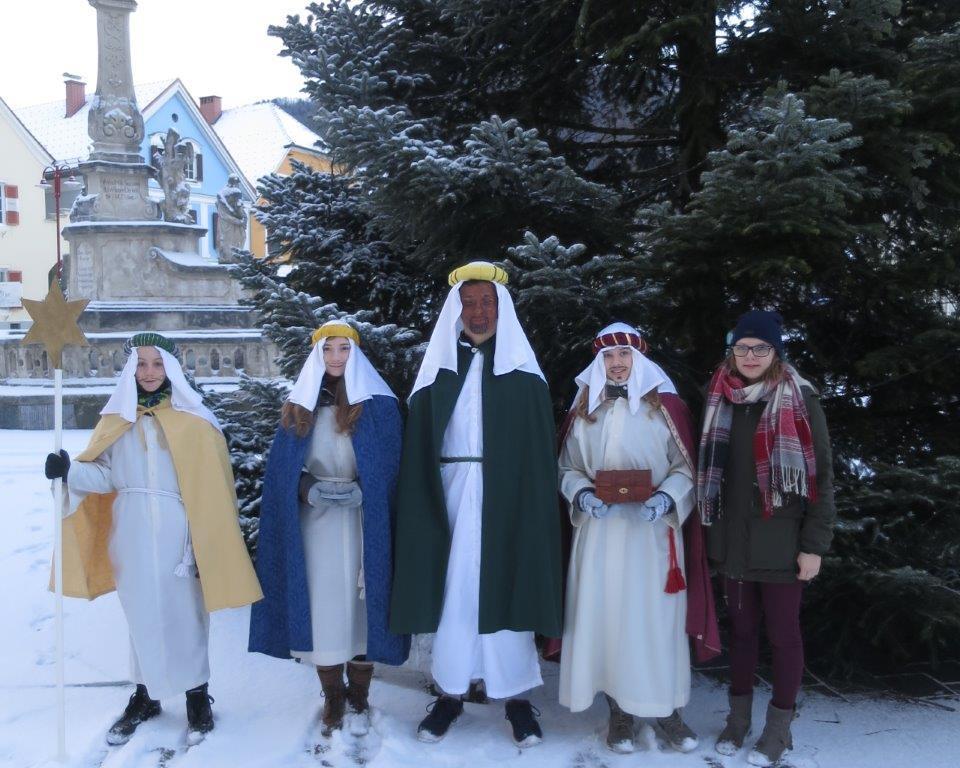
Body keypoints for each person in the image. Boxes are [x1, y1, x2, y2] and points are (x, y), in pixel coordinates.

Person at [43, 332, 262, 746]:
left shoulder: (196, 421)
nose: (148, 372)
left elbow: (214, 488)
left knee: (187, 613)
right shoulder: (117, 420)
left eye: (157, 364)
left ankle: (197, 695)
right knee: (141, 613)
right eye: (141, 364)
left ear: (171, 368)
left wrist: (204, 542)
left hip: (182, 531)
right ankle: (145, 695)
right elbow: (105, 476)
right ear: (130, 369)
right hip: (131, 532)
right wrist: (69, 471)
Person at [390, 262, 562, 747]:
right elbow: (420, 446)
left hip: (508, 501)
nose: (478, 312)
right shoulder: (436, 373)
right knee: (455, 595)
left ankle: (517, 700)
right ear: (456, 310)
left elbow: (537, 457)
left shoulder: (525, 377)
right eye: (469, 303)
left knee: (508, 587)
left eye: (487, 302)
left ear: (501, 309)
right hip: (450, 496)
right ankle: (450, 693)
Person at [558, 323, 719, 754]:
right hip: (600, 536)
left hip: (652, 537)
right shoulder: (585, 409)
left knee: (655, 622)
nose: (616, 363)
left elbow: (686, 468)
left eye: (624, 355)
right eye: (608, 357)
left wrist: (668, 498)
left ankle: (666, 710)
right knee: (608, 621)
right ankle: (619, 712)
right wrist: (582, 494)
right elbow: (568, 467)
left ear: (639, 359)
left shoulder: (666, 408)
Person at [249, 321, 409, 737]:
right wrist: (308, 489)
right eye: (327, 349)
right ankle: (333, 694)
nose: (336, 357)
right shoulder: (298, 407)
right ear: (316, 356)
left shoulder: (378, 406)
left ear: (355, 354)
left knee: (363, 609)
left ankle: (360, 693)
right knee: (324, 608)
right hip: (315, 527)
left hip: (363, 525)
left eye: (343, 349)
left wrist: (366, 490)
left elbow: (393, 468)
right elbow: (282, 473)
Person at [698, 310, 835, 767]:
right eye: (742, 347)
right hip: (732, 543)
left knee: (783, 636)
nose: (751, 356)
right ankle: (737, 721)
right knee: (741, 635)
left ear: (775, 352)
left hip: (782, 546)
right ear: (732, 351)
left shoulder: (800, 398)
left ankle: (778, 730)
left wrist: (813, 546)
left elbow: (822, 478)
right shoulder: (719, 397)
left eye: (761, 348)